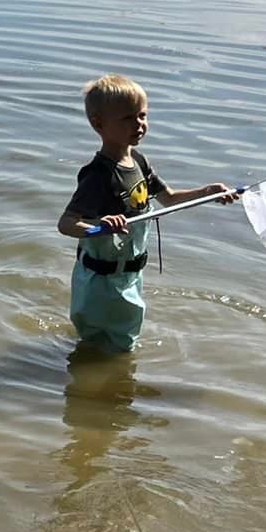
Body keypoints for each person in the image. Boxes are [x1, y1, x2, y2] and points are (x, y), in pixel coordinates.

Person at [57, 74, 235, 353]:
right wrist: (98, 224)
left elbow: (170, 198)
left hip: (129, 274)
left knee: (120, 339)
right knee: (104, 345)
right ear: (98, 123)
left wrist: (208, 192)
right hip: (100, 280)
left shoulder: (139, 162)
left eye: (142, 116)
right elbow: (66, 224)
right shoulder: (99, 175)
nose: (138, 125)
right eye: (127, 119)